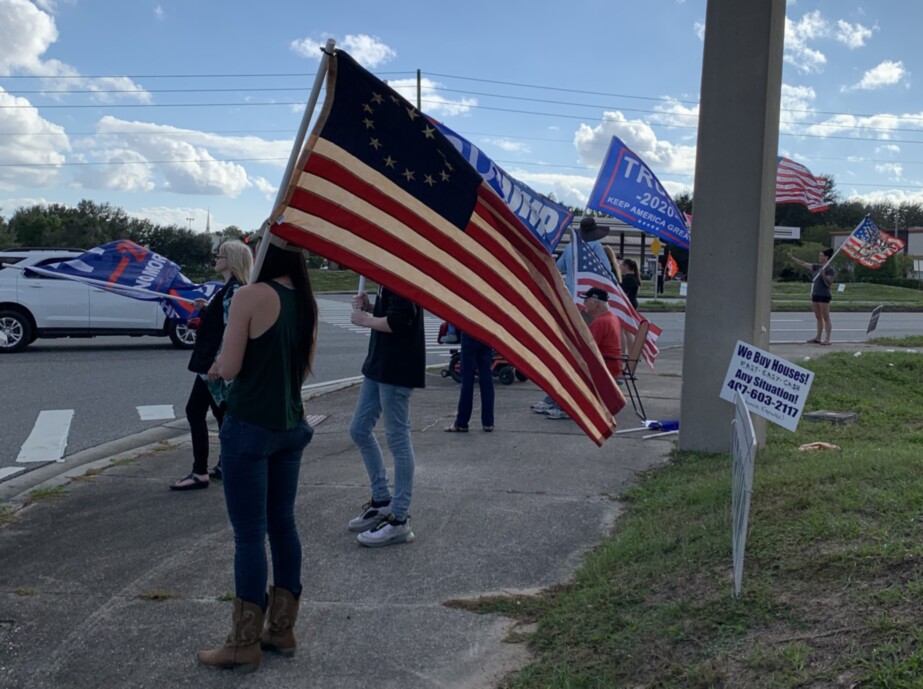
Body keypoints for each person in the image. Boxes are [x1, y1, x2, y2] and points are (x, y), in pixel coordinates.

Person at [197, 239, 317, 673]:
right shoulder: (305, 300)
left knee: (249, 535)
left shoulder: (249, 296)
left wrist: (213, 366)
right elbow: (303, 368)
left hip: (248, 426)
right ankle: (281, 629)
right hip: (290, 426)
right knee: (283, 525)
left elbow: (228, 367)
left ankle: (242, 642)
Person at [347, 286, 425, 547]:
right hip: (379, 364)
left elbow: (401, 320)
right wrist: (371, 308)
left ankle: (399, 519)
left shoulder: (400, 272)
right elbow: (394, 312)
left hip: (396, 367)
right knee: (359, 429)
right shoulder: (388, 274)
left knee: (398, 439)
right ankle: (382, 500)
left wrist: (364, 319)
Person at [171, 240, 252, 491]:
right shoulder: (230, 290)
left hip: (213, 365)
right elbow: (223, 322)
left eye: (220, 255)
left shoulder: (234, 291)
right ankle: (223, 465)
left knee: (196, 411)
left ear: (232, 260)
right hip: (214, 363)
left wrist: (219, 362)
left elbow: (231, 330)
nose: (216, 258)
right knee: (221, 414)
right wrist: (207, 309)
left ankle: (200, 472)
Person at [533, 286, 622, 420]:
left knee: (567, 367)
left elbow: (587, 348)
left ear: (595, 302)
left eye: (586, 300)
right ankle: (553, 402)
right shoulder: (610, 317)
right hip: (609, 362)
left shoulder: (601, 322)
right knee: (567, 364)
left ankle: (563, 407)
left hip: (605, 365)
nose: (584, 303)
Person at [444, 332, 495, 433]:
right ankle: (488, 422)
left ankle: (462, 422)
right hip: (486, 331)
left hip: (470, 332)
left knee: (467, 378)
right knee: (486, 378)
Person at [789, 248, 834, 345]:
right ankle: (818, 337)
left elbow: (829, 283)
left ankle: (827, 339)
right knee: (818, 317)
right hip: (815, 294)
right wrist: (793, 258)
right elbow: (803, 263)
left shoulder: (830, 270)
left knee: (825, 316)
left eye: (821, 255)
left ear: (826, 257)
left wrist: (823, 275)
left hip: (824, 295)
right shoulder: (816, 267)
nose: (819, 257)